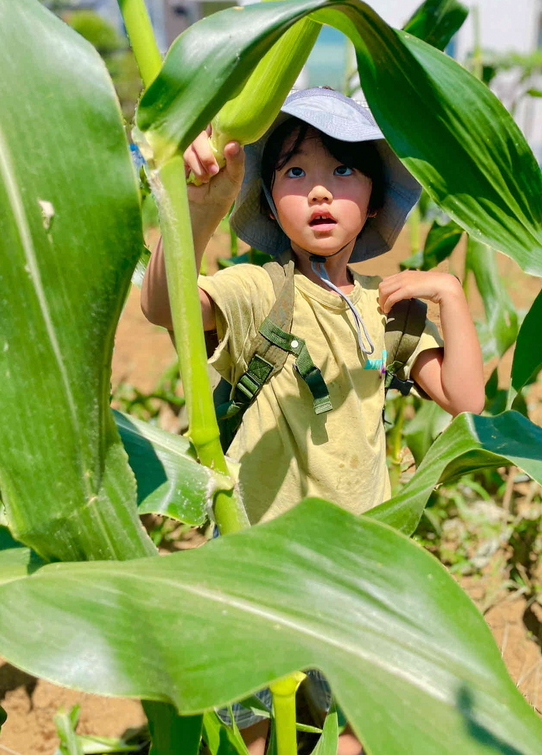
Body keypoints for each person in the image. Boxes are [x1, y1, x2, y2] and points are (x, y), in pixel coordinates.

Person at [141, 87, 484, 755]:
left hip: (356, 566)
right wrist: (197, 210)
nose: (320, 192)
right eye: (296, 172)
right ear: (269, 199)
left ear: (376, 200)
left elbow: (466, 399)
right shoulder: (259, 288)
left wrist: (449, 295)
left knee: (353, 723)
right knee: (252, 720)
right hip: (258, 563)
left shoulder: (386, 309)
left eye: (343, 170)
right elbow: (165, 307)